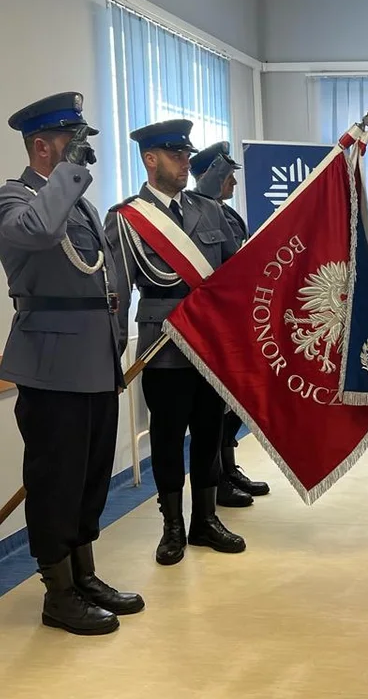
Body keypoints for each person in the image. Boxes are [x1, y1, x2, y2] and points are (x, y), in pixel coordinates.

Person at [0, 92, 143, 635]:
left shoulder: (75, 202)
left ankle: (84, 575)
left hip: (94, 357)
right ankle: (58, 593)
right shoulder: (12, 198)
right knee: (56, 478)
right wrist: (69, 172)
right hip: (52, 361)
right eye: (70, 142)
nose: (83, 154)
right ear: (42, 147)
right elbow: (36, 232)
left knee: (89, 477)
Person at [104, 119, 245, 567]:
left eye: (186, 154)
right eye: (174, 155)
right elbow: (118, 294)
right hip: (163, 346)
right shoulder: (127, 218)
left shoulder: (209, 210)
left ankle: (204, 520)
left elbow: (231, 279)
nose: (185, 162)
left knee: (208, 432)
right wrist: (110, 355)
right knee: (167, 439)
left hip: (210, 347)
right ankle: (172, 526)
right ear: (150, 160)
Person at [188, 141, 271, 509]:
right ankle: (217, 478)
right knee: (215, 407)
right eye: (228, 175)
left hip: (239, 320)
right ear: (210, 177)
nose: (234, 183)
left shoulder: (230, 216)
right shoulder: (192, 214)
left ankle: (229, 465)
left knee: (235, 402)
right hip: (213, 327)